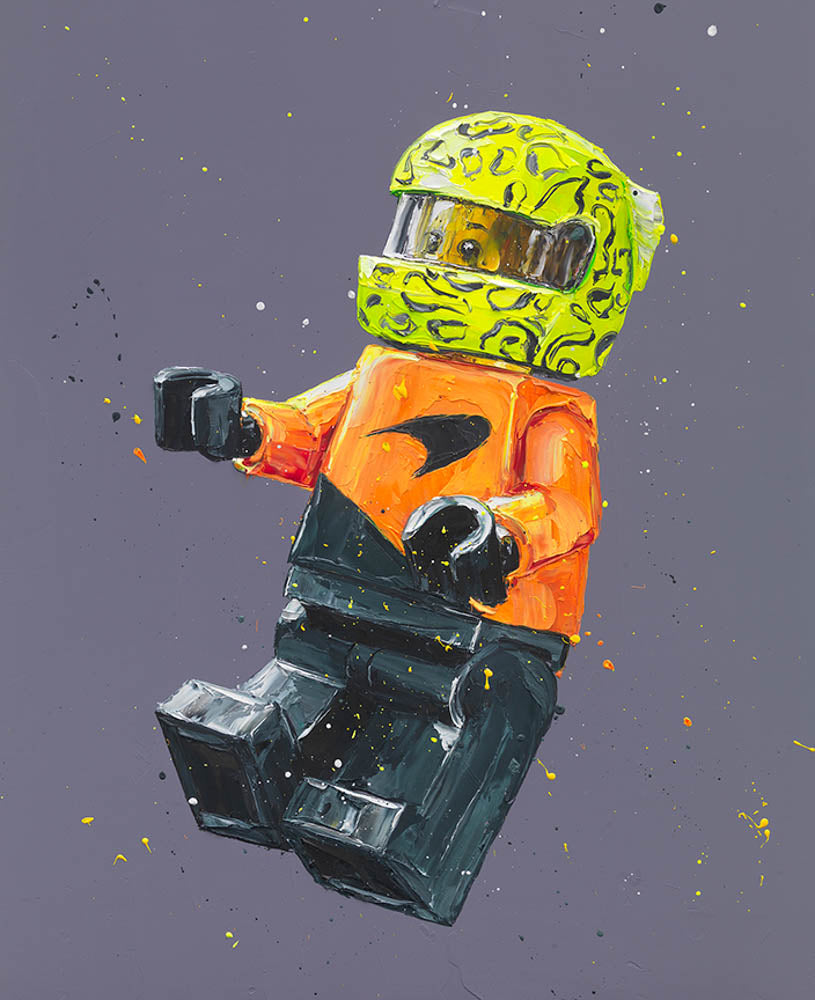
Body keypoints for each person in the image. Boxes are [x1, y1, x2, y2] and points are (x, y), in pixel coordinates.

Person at [154, 112, 663, 924]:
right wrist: (236, 424)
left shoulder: (546, 408)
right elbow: (307, 432)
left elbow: (565, 505)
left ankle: (396, 844)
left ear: (576, 265)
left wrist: (496, 532)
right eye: (440, 235)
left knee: (430, 764)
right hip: (336, 605)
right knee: (262, 720)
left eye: (487, 245)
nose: (449, 261)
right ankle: (257, 787)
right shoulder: (384, 373)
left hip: (478, 634)